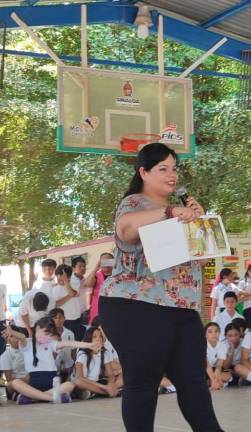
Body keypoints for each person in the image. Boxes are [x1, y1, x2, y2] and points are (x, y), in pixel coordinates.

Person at [98, 143, 223, 431]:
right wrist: (170, 212)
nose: (171, 175)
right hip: (136, 307)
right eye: (162, 169)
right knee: (143, 381)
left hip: (181, 308)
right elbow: (126, 230)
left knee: (193, 381)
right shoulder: (135, 203)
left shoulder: (181, 211)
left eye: (174, 169)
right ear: (143, 172)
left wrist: (199, 225)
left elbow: (200, 263)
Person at [2, 317, 98, 404]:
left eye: (50, 335)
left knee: (70, 385)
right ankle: (52, 398)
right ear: (37, 328)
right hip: (34, 383)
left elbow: (70, 343)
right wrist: (12, 332)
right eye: (46, 333)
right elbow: (21, 336)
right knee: (16, 383)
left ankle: (33, 397)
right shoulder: (27, 343)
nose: (47, 337)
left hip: (52, 384)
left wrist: (89, 345)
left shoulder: (51, 344)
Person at [72, 326, 119, 399]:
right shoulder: (82, 354)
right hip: (86, 383)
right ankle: (106, 393)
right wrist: (105, 387)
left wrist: (111, 384)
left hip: (98, 382)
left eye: (100, 336)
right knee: (79, 382)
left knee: (123, 377)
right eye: (94, 337)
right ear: (89, 339)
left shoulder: (105, 352)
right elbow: (80, 378)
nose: (98, 339)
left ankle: (95, 392)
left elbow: (110, 374)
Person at [20, 258, 57, 336]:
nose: (47, 271)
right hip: (31, 322)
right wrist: (30, 331)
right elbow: (24, 314)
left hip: (49, 317)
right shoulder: (37, 285)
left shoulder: (57, 282)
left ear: (54, 269)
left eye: (50, 268)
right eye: (45, 269)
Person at [52, 264, 84, 341]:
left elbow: (72, 292)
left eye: (62, 279)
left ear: (69, 277)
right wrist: (71, 295)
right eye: (58, 278)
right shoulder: (54, 289)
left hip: (74, 319)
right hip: (61, 321)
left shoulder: (75, 283)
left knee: (75, 341)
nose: (60, 281)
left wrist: (66, 282)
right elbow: (57, 303)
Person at [0, 325, 28, 401]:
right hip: (16, 384)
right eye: (11, 336)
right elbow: (9, 380)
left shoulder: (28, 348)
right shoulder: (5, 355)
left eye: (16, 335)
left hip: (33, 379)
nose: (15, 338)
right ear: (7, 339)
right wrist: (28, 378)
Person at [85, 252, 114, 325]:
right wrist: (96, 268)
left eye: (109, 261)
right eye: (104, 262)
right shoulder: (96, 275)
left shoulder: (118, 275)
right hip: (97, 311)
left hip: (113, 311)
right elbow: (88, 284)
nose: (106, 264)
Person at [204, 323, 228, 391]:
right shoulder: (202, 345)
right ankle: (214, 382)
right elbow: (207, 365)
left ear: (220, 332)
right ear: (205, 334)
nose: (214, 334)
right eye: (210, 332)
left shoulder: (223, 345)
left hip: (214, 369)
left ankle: (211, 382)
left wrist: (217, 373)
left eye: (216, 331)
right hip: (203, 369)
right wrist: (214, 380)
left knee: (228, 376)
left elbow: (219, 365)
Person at [70, 256, 89, 332]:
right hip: (73, 314)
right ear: (73, 268)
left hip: (84, 313)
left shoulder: (86, 280)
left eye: (84, 266)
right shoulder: (69, 281)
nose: (83, 268)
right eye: (80, 266)